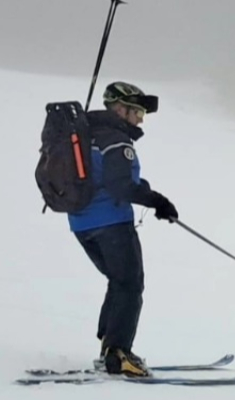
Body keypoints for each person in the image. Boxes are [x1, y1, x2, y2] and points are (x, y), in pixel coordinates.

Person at [67, 81, 179, 377]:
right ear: (121, 109)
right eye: (138, 111)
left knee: (119, 281)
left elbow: (108, 178)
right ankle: (118, 354)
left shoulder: (90, 133)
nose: (141, 119)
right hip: (110, 223)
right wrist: (157, 201)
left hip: (82, 223)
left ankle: (109, 347)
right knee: (130, 284)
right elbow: (120, 185)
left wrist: (150, 196)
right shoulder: (116, 139)